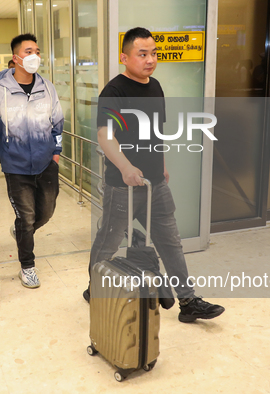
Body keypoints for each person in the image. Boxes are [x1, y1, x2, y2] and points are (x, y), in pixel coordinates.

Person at [84, 27, 225, 323]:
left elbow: (156, 130)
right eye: (142, 54)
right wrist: (124, 167)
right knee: (108, 242)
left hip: (155, 184)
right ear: (124, 57)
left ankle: (187, 301)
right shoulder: (114, 91)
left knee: (170, 241)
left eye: (154, 54)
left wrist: (160, 163)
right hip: (122, 186)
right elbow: (105, 135)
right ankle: (96, 287)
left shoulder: (155, 86)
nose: (150, 60)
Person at [0, 34, 63, 289]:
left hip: (46, 162)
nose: (34, 56)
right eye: (28, 51)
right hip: (15, 166)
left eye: (37, 50)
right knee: (26, 217)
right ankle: (27, 267)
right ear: (16, 58)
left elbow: (57, 122)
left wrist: (56, 151)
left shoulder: (48, 88)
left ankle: (22, 232)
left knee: (45, 213)